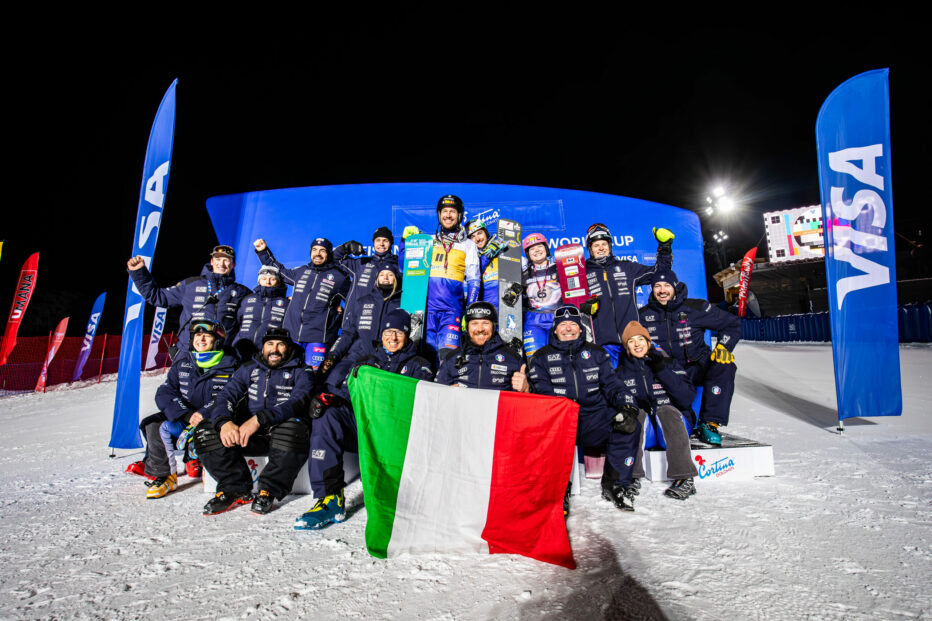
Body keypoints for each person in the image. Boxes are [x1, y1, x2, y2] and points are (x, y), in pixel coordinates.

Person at [295, 309, 434, 529]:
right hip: (364, 427)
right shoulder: (366, 361)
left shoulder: (419, 363)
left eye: (398, 332)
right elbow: (347, 392)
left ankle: (402, 499)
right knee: (328, 415)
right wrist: (329, 398)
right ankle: (330, 498)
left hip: (394, 433)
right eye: (388, 332)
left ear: (407, 335)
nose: (393, 338)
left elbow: (419, 401)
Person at [528, 305, 641, 512]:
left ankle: (616, 484)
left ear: (581, 329)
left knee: (628, 425)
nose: (568, 329)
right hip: (560, 419)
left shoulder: (597, 353)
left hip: (594, 418)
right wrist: (562, 415)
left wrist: (627, 406)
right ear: (555, 329)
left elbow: (612, 384)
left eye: (573, 324)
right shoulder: (540, 358)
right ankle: (558, 492)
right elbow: (542, 392)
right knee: (540, 433)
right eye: (563, 325)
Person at [194, 328, 314, 516]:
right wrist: (225, 421)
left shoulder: (302, 371)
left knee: (295, 427)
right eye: (270, 344)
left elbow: (298, 402)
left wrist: (260, 419)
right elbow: (226, 396)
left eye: (281, 344)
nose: (275, 349)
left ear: (289, 348)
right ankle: (234, 487)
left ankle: (268, 490)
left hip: (282, 435)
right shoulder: (249, 368)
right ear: (263, 347)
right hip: (247, 435)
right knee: (206, 430)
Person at [127, 320, 238, 498]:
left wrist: (202, 414)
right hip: (185, 417)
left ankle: (206, 467)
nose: (200, 339)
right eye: (197, 335)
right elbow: (165, 392)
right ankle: (164, 475)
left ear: (217, 340)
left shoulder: (231, 364)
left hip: (214, 418)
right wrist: (185, 414)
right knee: (154, 424)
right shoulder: (184, 361)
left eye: (206, 336)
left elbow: (230, 395)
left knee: (213, 429)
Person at [638, 268, 741, 445]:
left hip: (695, 368)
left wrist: (724, 346)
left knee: (725, 364)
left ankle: (710, 423)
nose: (662, 290)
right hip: (667, 374)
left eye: (666, 285)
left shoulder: (696, 307)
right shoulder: (644, 315)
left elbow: (732, 324)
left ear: (675, 287)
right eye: (657, 286)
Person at [615, 321, 698, 500]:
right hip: (647, 430)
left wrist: (662, 370)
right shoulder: (621, 373)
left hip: (674, 425)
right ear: (626, 347)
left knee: (667, 410)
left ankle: (684, 478)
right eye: (631, 341)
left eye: (640, 339)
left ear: (648, 342)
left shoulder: (669, 363)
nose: (637, 344)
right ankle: (631, 477)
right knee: (633, 414)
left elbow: (686, 398)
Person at [127, 245, 252, 350]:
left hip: (223, 356)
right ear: (212, 261)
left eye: (226, 260)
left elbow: (257, 315)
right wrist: (139, 273)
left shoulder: (242, 292)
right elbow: (159, 297)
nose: (222, 263)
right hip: (188, 354)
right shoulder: (191, 284)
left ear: (233, 264)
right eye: (218, 259)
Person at [583, 224, 675, 367]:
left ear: (610, 246)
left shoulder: (627, 268)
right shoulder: (582, 272)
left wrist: (665, 248)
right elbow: (570, 300)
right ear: (590, 249)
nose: (601, 248)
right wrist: (583, 307)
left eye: (604, 244)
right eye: (596, 245)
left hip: (633, 340)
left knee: (640, 383)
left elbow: (658, 272)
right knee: (611, 386)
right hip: (604, 344)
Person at [253, 236, 351, 369]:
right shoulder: (301, 271)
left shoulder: (340, 278)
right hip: (292, 336)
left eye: (322, 250)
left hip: (318, 339)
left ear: (329, 253)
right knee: (288, 374)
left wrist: (339, 316)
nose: (317, 254)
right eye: (314, 250)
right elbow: (279, 270)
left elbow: (353, 303)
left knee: (314, 376)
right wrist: (263, 251)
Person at [319, 265, 402, 377]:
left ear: (396, 278)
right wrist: (333, 355)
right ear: (376, 278)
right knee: (334, 377)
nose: (385, 278)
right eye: (382, 275)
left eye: (390, 275)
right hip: (358, 355)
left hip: (385, 359)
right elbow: (348, 333)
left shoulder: (402, 303)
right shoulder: (362, 302)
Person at [425, 195, 480, 359]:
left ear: (460, 216)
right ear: (438, 215)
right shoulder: (428, 241)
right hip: (428, 312)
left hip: (452, 311)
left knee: (448, 358)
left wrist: (469, 311)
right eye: (444, 211)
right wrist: (404, 244)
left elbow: (474, 280)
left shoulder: (468, 245)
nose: (448, 215)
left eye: (453, 212)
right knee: (426, 358)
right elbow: (406, 271)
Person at [435, 301, 529, 391]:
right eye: (474, 323)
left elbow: (526, 402)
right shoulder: (451, 358)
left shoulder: (513, 358)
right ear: (467, 327)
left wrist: (526, 389)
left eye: (485, 323)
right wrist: (446, 393)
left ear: (493, 326)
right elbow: (436, 395)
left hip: (497, 408)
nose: (480, 329)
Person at [332, 226, 400, 325]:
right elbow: (334, 260)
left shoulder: (398, 264)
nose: (381, 244)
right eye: (378, 240)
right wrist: (345, 248)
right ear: (373, 243)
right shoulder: (361, 263)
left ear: (391, 243)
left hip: (383, 322)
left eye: (385, 240)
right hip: (355, 321)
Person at [231, 265, 288, 361]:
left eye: (272, 279)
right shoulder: (248, 299)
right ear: (258, 281)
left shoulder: (286, 304)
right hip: (241, 350)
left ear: (278, 282)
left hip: (268, 353)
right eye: (264, 278)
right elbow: (238, 320)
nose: (268, 282)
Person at [521, 232, 562, 358]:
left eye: (540, 246)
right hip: (533, 320)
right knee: (534, 359)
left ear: (546, 248)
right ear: (527, 254)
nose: (537, 250)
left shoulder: (559, 268)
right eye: (532, 248)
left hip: (557, 318)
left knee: (559, 358)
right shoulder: (523, 274)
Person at [465, 219, 508, 310]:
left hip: (507, 306)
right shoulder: (468, 257)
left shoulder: (501, 247)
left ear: (486, 233)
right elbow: (472, 276)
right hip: (486, 309)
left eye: (480, 233)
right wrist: (486, 256)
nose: (478, 239)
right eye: (472, 236)